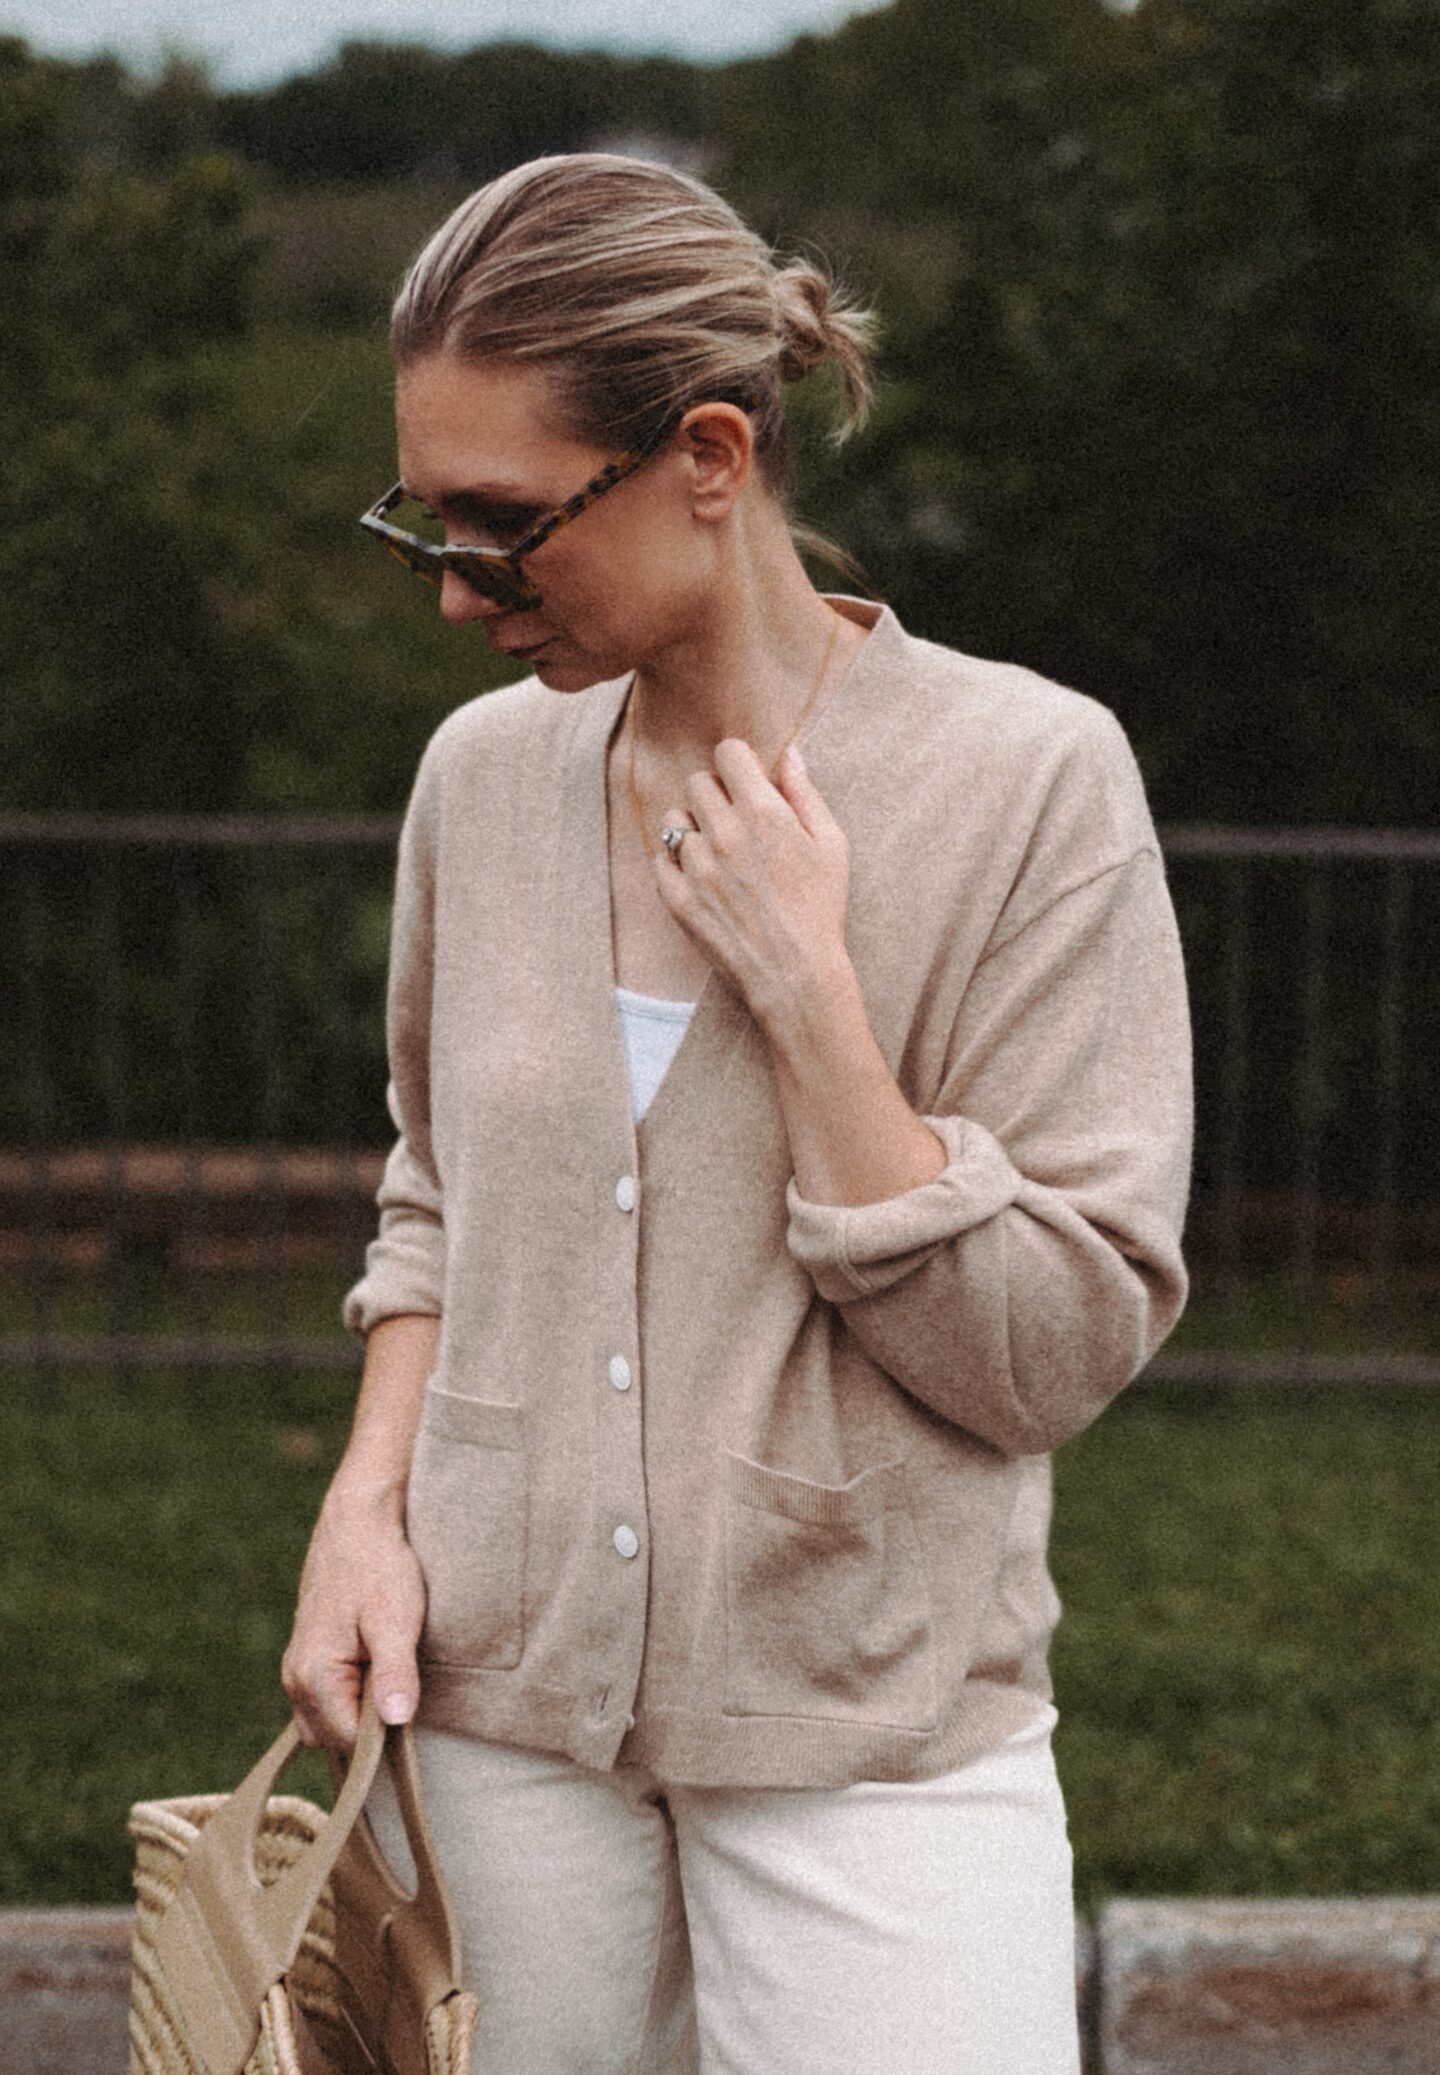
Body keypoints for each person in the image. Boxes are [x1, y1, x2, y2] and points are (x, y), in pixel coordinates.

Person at [282, 152, 1191, 2075]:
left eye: (503, 525)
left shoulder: (1032, 780)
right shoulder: (481, 782)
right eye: (421, 523)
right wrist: (364, 1511)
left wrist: (812, 1007)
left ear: (708, 453)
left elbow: (1057, 1348)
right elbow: (435, 1197)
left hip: (873, 1742)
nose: (455, 597)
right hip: (492, 1718)